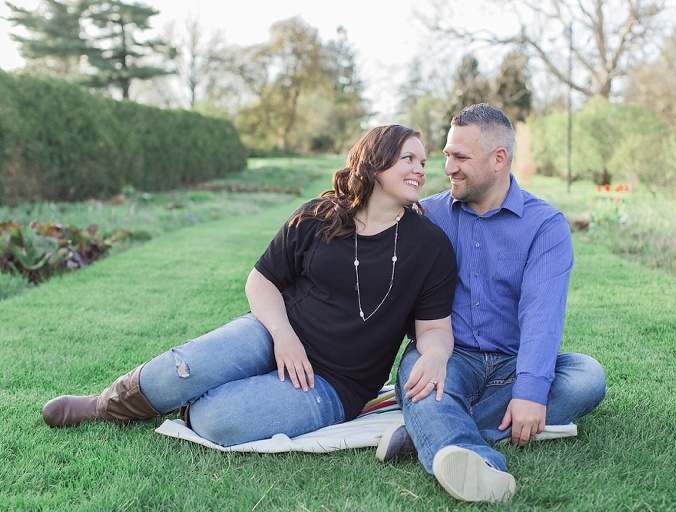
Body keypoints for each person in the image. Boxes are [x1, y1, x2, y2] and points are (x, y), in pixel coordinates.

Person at [42, 125, 458, 448]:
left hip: (335, 382)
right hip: (271, 331)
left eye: (424, 161)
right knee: (182, 368)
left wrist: (437, 355)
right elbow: (261, 280)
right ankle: (103, 406)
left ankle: (193, 404)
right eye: (409, 159)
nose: (422, 170)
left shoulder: (429, 245)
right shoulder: (319, 215)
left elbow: (435, 329)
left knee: (220, 420)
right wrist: (282, 336)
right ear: (375, 162)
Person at [376, 104, 607, 503]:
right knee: (419, 374)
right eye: (447, 154)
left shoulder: (545, 225)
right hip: (450, 355)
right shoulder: (426, 215)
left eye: (460, 157)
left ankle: (427, 431)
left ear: (499, 159)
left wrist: (531, 391)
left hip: (513, 361)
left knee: (586, 377)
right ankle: (482, 465)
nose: (448, 167)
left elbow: (542, 315)